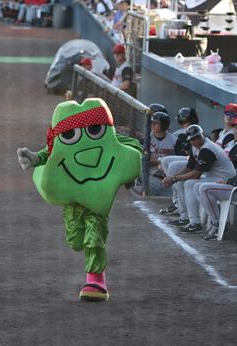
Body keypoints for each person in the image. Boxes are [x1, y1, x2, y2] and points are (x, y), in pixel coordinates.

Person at [17, 98, 142, 302]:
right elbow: (52, 153)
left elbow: (129, 150)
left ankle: (95, 281)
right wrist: (34, 158)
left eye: (93, 129)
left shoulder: (114, 141)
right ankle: (90, 262)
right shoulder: (58, 147)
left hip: (98, 200)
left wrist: (129, 165)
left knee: (94, 235)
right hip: (73, 200)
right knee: (76, 240)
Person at [162, 125, 236, 233]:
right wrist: (172, 177)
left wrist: (174, 178)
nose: (196, 140)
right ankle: (194, 222)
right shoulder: (195, 147)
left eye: (197, 137)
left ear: (201, 135)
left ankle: (217, 224)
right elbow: (189, 167)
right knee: (189, 184)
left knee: (197, 185)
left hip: (227, 182)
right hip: (215, 178)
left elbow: (196, 174)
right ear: (190, 140)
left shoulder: (208, 148)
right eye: (193, 139)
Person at [159, 107, 199, 215]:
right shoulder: (197, 129)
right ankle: (176, 200)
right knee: (165, 161)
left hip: (192, 161)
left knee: (171, 165)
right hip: (189, 159)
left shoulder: (181, 133)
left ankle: (177, 202)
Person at [148, 111, 177, 196]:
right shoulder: (147, 139)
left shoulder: (174, 140)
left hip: (168, 179)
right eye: (152, 123)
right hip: (151, 178)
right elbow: (144, 161)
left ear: (164, 125)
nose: (152, 125)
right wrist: (160, 161)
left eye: (156, 123)